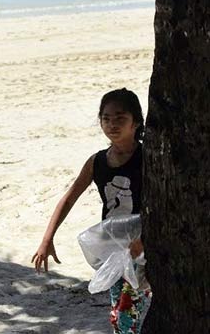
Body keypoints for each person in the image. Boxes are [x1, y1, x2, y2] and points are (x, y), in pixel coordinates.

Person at [32, 88, 150, 333]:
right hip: (113, 247)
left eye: (120, 118)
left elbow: (161, 202)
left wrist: (144, 238)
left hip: (145, 246)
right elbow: (68, 199)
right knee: (120, 311)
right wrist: (47, 239)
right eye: (106, 118)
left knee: (129, 312)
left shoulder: (147, 157)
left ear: (135, 122)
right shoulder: (97, 162)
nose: (112, 124)